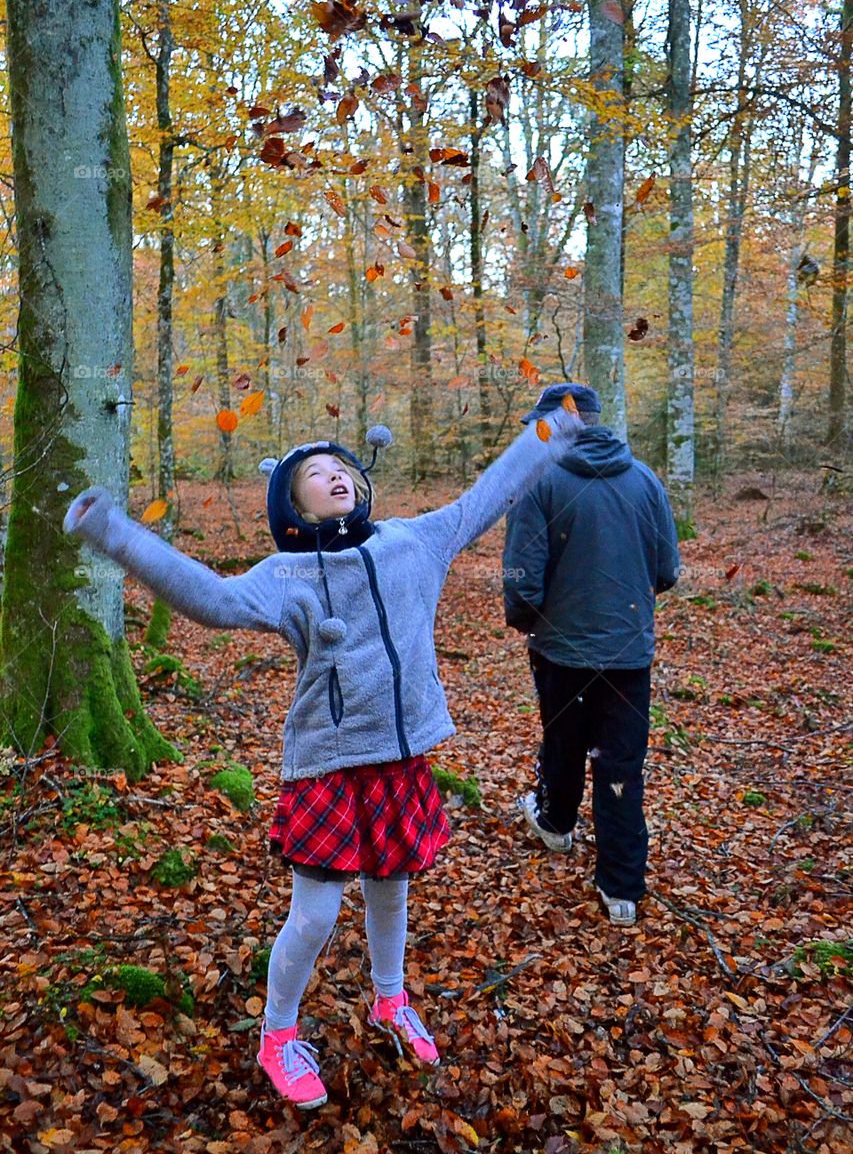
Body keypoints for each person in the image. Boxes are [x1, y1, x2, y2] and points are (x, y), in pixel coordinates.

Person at [64, 396, 585, 1109]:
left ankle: (389, 1000)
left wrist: (550, 430)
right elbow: (212, 600)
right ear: (292, 499)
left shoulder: (414, 542)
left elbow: (489, 493)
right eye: (315, 471)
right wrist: (116, 534)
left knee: (390, 891)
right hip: (328, 765)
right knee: (314, 916)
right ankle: (277, 1034)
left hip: (399, 759)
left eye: (341, 466)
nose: (334, 475)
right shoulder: (288, 574)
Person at [502, 383, 680, 927]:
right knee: (621, 761)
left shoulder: (540, 482)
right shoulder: (645, 480)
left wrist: (530, 623)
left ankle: (556, 825)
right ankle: (621, 889)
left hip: (561, 649)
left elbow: (521, 578)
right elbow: (666, 569)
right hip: (628, 650)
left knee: (564, 739)